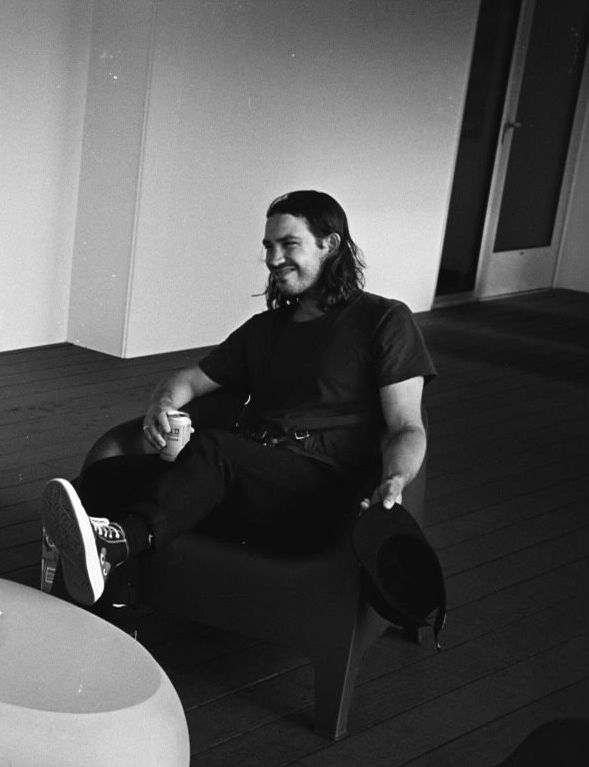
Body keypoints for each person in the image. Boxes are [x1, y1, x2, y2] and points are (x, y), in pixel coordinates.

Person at [42, 190, 436, 606]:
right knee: (105, 477)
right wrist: (161, 405)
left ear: (330, 244)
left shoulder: (384, 320)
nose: (273, 258)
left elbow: (407, 427)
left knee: (217, 449)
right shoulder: (266, 329)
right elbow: (189, 381)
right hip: (241, 480)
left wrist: (395, 479)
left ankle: (119, 544)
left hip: (315, 494)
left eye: (289, 244)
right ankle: (116, 600)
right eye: (268, 246)